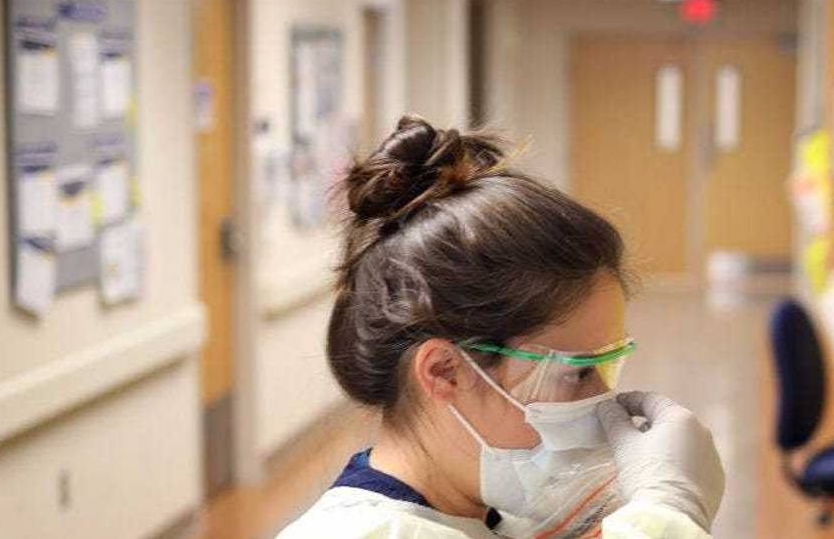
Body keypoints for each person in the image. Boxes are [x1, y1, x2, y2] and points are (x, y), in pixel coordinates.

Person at [277, 116, 724, 539]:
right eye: (575, 372)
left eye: (608, 368)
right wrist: (667, 514)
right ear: (444, 371)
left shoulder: (487, 512)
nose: (604, 409)